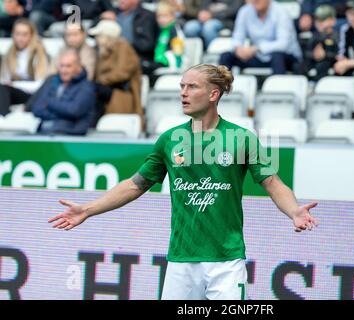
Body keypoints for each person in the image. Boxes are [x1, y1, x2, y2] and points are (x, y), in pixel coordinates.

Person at [48, 63, 318, 300]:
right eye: (181, 86)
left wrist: (293, 210)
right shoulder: (169, 139)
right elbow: (134, 185)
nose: (183, 93)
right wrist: (87, 209)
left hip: (226, 261)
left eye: (192, 87)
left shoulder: (241, 138)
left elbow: (272, 182)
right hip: (181, 261)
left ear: (213, 94)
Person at [219, 0, 302, 75]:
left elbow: (283, 44)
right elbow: (237, 38)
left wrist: (257, 48)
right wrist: (238, 49)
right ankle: (222, 89)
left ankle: (278, 89)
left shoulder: (281, 12)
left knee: (277, 56)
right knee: (226, 56)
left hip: (287, 57)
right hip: (258, 56)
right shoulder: (244, 11)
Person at [30, 49, 96, 135]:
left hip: (71, 136)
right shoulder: (51, 81)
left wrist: (49, 102)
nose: (64, 70)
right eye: (61, 66)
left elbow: (74, 111)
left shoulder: (86, 87)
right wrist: (62, 115)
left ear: (78, 67)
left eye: (68, 66)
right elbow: (36, 108)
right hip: (44, 132)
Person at [89, 19, 143, 119]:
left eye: (99, 36)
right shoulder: (101, 51)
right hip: (105, 92)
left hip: (121, 93)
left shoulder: (124, 48)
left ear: (108, 37)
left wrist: (101, 80)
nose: (96, 39)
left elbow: (122, 73)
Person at [0, 18, 48, 115]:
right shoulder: (10, 54)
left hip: (32, 94)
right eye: (17, 34)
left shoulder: (39, 54)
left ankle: (2, 116)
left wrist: (15, 84)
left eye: (24, 34)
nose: (20, 38)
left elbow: (40, 85)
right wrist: (11, 85)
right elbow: (4, 80)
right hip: (12, 92)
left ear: (31, 35)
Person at [100, 0, 159, 77]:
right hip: (111, 57)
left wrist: (125, 43)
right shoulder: (113, 13)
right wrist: (102, 18)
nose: (120, 1)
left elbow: (147, 45)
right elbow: (91, 31)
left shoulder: (146, 16)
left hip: (136, 59)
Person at [143, 1, 184, 77]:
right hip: (158, 60)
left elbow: (178, 50)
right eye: (159, 16)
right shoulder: (160, 30)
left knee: (146, 68)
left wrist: (177, 67)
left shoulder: (174, 29)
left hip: (168, 62)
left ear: (173, 16)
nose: (161, 19)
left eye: (165, 16)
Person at [304, 5, 339, 81]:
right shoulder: (314, 36)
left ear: (333, 21)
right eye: (317, 19)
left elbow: (338, 54)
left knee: (323, 65)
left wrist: (325, 55)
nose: (319, 23)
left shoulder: (336, 36)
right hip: (314, 63)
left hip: (330, 65)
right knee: (300, 65)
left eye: (323, 19)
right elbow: (306, 53)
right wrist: (314, 55)